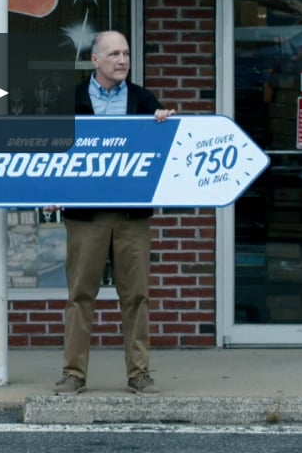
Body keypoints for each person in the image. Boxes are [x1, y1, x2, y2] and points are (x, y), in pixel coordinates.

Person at [53, 30, 176, 396]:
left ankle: (139, 374)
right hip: (85, 215)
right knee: (80, 296)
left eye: (126, 54)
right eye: (114, 55)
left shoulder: (143, 99)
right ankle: (73, 374)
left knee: (136, 296)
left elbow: (161, 151)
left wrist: (164, 126)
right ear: (95, 60)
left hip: (130, 216)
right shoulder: (71, 99)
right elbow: (49, 152)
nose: (122, 61)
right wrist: (47, 189)